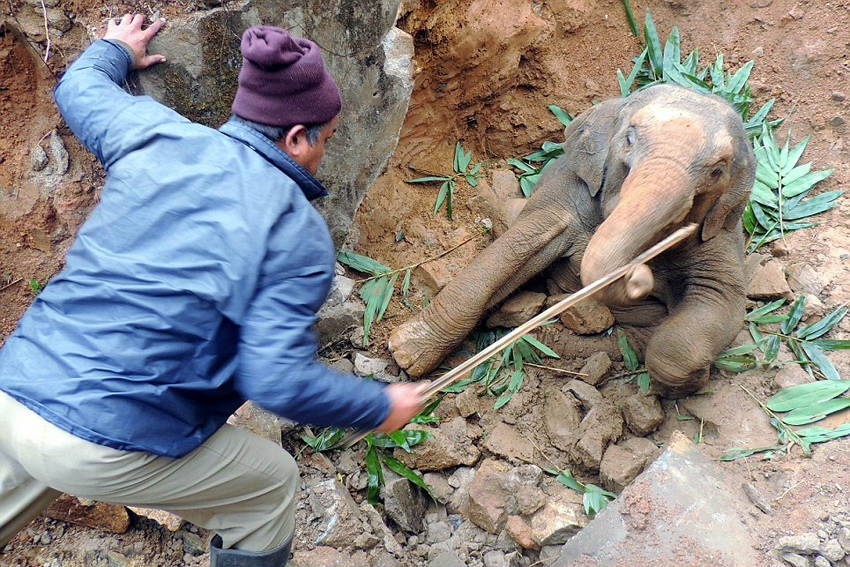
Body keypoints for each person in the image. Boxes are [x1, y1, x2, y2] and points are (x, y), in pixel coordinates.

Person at [0, 14, 425, 566]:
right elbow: (275, 380)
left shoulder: (152, 131)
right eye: (328, 138)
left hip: (16, 390)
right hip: (101, 438)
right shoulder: (294, 231)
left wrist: (113, 49)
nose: (325, 152)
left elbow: (79, 87)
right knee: (269, 487)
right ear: (297, 138)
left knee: (38, 458)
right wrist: (377, 406)